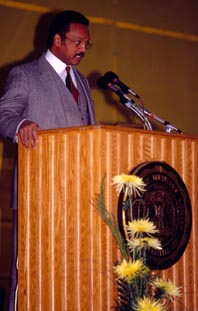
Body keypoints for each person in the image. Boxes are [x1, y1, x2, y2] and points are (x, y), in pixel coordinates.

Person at [0, 10, 96, 311]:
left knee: (75, 274)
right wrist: (20, 125)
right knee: (31, 272)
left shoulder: (82, 81)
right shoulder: (25, 74)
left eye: (86, 44)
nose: (82, 49)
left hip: (81, 195)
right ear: (57, 39)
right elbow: (3, 116)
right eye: (77, 41)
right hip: (39, 192)